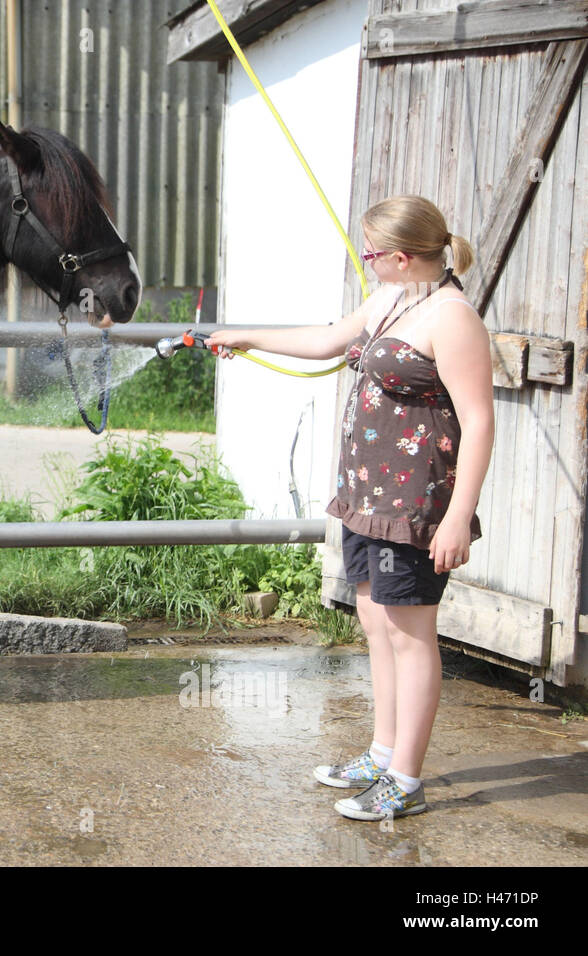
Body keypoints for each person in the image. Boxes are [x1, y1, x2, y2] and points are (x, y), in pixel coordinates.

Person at [206, 195, 495, 821]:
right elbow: (328, 339)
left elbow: (478, 421)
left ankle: (406, 781)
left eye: (370, 252)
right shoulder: (392, 297)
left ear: (400, 255)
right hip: (366, 495)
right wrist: (245, 334)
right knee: (376, 625)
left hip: (413, 504)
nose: (364, 260)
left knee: (411, 635)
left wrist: (455, 517)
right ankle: (382, 753)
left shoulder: (451, 317)